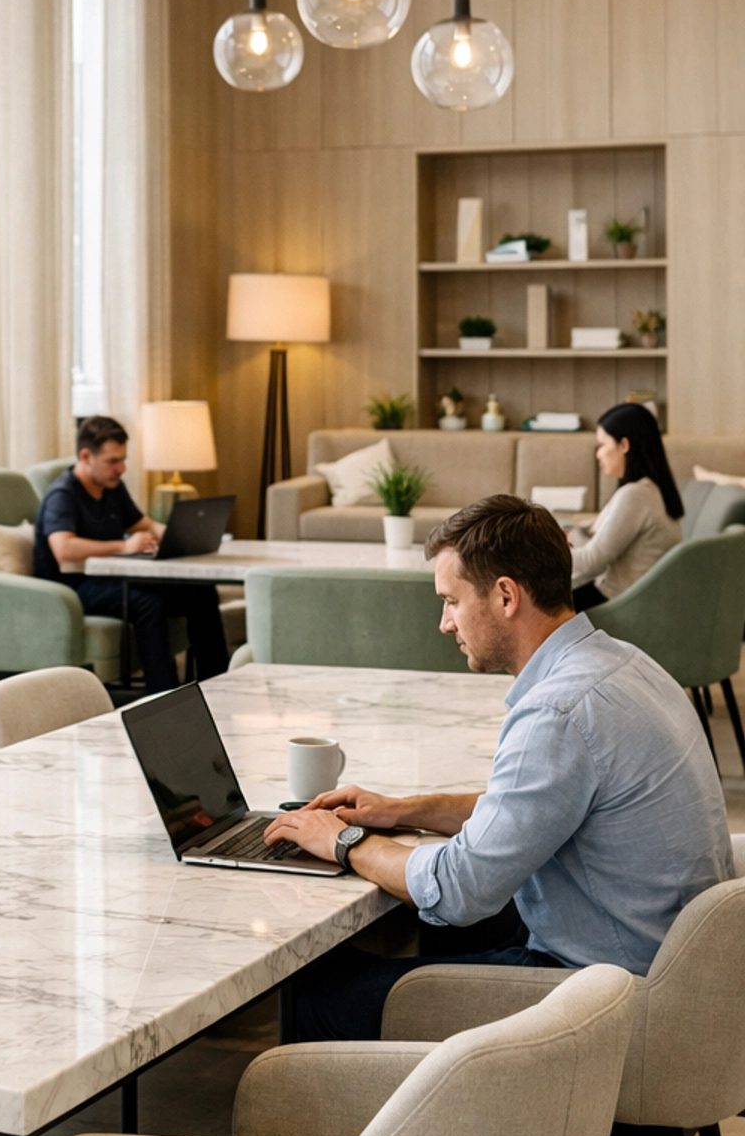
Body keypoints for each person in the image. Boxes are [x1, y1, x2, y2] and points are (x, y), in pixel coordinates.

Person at [264, 494, 731, 1041]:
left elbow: (459, 888)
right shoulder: (624, 664)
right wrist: (401, 811)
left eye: (451, 601)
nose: (444, 623)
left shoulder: (558, 711)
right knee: (441, 932)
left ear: (506, 595)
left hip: (612, 1001)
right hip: (669, 972)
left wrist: (344, 841)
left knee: (317, 995)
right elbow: (534, 811)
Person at [34, 414, 229, 695]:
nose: (121, 468)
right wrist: (124, 547)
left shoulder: (110, 488)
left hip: (113, 578)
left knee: (200, 591)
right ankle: (164, 695)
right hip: (74, 586)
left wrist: (183, 535)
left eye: (123, 459)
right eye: (112, 461)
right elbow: (64, 549)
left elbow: (144, 524)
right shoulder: (63, 495)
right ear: (86, 456)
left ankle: (216, 687)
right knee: (148, 602)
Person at [569, 400, 683, 610]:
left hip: (619, 606)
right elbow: (602, 537)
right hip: (632, 600)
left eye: (603, 445)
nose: (598, 454)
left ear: (624, 445)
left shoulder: (636, 496)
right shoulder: (649, 490)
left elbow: (593, 561)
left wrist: (539, 556)